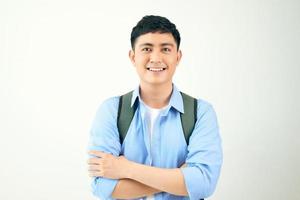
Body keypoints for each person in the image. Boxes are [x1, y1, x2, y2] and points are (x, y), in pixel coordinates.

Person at [87, 15, 223, 200]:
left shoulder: (200, 113)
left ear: (178, 56)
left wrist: (127, 169)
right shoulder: (111, 111)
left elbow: (203, 183)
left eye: (166, 49)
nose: (156, 58)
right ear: (133, 57)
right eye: (147, 49)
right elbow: (101, 187)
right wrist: (178, 177)